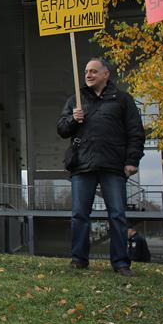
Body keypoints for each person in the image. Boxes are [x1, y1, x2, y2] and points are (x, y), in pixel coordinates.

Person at [57, 58, 145, 276]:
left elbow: (135, 132)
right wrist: (72, 120)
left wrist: (132, 160)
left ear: (106, 74)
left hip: (113, 166)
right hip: (83, 166)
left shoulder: (123, 100)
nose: (88, 75)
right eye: (86, 71)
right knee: (79, 214)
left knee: (117, 214)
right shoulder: (75, 101)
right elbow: (61, 129)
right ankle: (79, 259)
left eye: (94, 71)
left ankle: (121, 263)